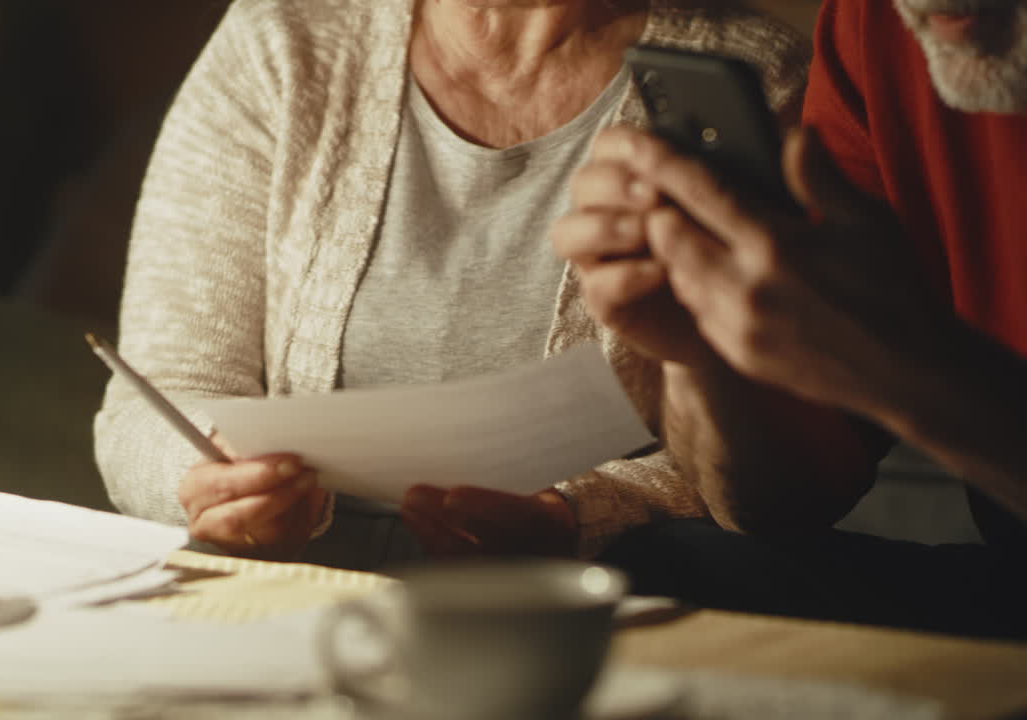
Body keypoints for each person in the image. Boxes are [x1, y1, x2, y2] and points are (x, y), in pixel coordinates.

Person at [93, 0, 810, 571]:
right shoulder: (282, 41)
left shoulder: (753, 80)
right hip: (276, 606)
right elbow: (152, 402)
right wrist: (207, 481)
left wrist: (579, 517)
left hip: (581, 616)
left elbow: (772, 480)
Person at [556, 0, 1027, 637]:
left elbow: (907, 367)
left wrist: (915, 380)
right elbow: (784, 502)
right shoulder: (880, 23)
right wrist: (707, 347)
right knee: (642, 574)